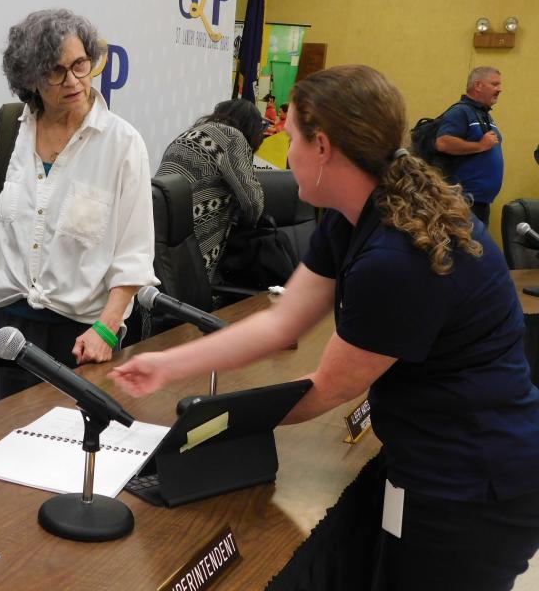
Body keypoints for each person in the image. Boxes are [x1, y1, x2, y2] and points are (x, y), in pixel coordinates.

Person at [111, 65, 539, 591]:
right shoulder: (354, 210)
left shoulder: (395, 258)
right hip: (443, 465)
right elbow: (282, 322)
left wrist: (202, 429)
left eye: (290, 138)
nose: (282, 155)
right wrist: (167, 365)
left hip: (474, 487)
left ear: (323, 148)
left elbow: (329, 388)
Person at [0, 9, 157, 399]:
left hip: (84, 338)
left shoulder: (122, 144)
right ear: (29, 77)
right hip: (9, 335)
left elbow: (133, 255)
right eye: (55, 71)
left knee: (77, 449)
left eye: (80, 64)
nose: (73, 81)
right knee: (10, 449)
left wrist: (106, 329)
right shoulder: (3, 132)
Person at [156, 99, 265, 289]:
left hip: (163, 239)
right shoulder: (232, 138)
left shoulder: (188, 135)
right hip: (195, 244)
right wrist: (247, 225)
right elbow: (253, 202)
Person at [435, 66, 503, 224]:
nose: (500, 89)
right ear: (478, 85)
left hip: (480, 203)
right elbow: (443, 142)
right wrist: (480, 146)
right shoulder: (461, 112)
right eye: (494, 84)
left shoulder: (483, 114)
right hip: (463, 202)